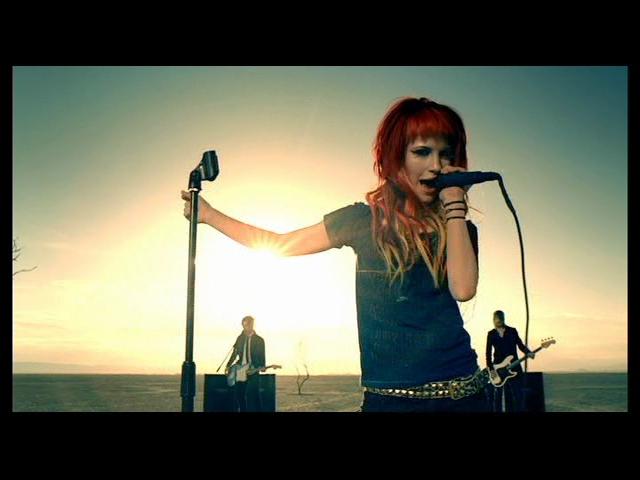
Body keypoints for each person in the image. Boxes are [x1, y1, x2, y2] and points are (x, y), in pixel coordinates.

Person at [182, 97, 489, 412]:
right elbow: (281, 242)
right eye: (422, 152)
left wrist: (454, 206)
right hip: (388, 400)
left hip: (464, 396)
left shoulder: (459, 229)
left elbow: (464, 289)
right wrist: (210, 216)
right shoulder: (362, 221)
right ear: (397, 157)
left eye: (445, 154)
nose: (436, 165)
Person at [485, 310, 534, 412]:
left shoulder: (512, 331)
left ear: (503, 319)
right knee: (498, 397)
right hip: (498, 369)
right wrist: (491, 370)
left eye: (499, 319)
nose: (498, 321)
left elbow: (520, 345)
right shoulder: (491, 334)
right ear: (493, 320)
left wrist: (528, 352)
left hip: (514, 367)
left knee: (518, 395)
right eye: (496, 319)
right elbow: (488, 354)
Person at [225, 315, 266, 412]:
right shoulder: (240, 338)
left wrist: (262, 366)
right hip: (240, 369)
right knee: (239, 394)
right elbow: (234, 353)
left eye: (250, 324)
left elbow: (262, 355)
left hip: (253, 369)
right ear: (243, 325)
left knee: (255, 395)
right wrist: (228, 365)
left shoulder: (259, 340)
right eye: (246, 325)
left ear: (253, 325)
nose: (248, 327)